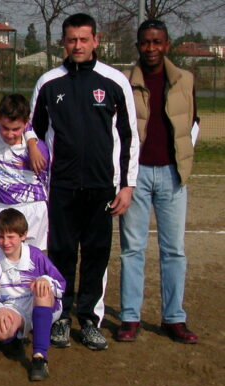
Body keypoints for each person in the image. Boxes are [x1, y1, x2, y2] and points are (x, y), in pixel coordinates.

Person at [30, 13, 139, 350]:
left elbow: (129, 136)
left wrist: (127, 185)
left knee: (96, 254)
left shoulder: (114, 81)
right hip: (61, 186)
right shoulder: (49, 82)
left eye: (83, 39)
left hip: (101, 186)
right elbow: (33, 130)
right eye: (71, 40)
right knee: (61, 253)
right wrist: (33, 147)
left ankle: (90, 319)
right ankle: (61, 317)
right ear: (63, 42)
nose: (77, 45)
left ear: (96, 41)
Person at [118, 19, 200, 344]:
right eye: (145, 42)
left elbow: (192, 121)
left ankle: (174, 318)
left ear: (167, 44)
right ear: (138, 45)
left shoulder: (185, 79)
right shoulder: (124, 81)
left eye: (157, 42)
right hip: (136, 175)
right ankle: (130, 317)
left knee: (174, 251)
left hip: (172, 174)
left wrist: (183, 160)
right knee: (132, 250)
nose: (151, 48)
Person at [0, 208, 65, 381]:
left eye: (11, 237)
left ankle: (39, 357)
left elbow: (61, 285)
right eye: (1, 237)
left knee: (42, 289)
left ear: (23, 235)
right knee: (0, 333)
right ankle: (13, 338)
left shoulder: (36, 256)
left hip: (41, 304)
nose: (5, 242)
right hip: (13, 308)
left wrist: (46, 280)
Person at [0, 93, 50, 250]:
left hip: (33, 210)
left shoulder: (38, 149)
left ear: (26, 123)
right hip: (4, 209)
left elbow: (47, 183)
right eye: (5, 128)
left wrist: (31, 143)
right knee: (3, 258)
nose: (10, 134)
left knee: (32, 259)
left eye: (16, 129)